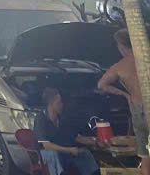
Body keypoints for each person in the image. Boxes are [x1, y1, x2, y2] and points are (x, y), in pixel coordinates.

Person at [98, 28, 150, 175]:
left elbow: (101, 85)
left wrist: (125, 94)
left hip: (137, 107)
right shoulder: (146, 58)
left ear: (122, 46)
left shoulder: (120, 66)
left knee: (145, 154)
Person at [33, 87, 100, 175]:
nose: (62, 105)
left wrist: (95, 141)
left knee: (85, 153)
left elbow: (75, 137)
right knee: (53, 155)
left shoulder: (62, 119)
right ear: (50, 104)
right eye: (59, 103)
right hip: (47, 155)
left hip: (62, 152)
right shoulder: (40, 118)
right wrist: (69, 150)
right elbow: (47, 146)